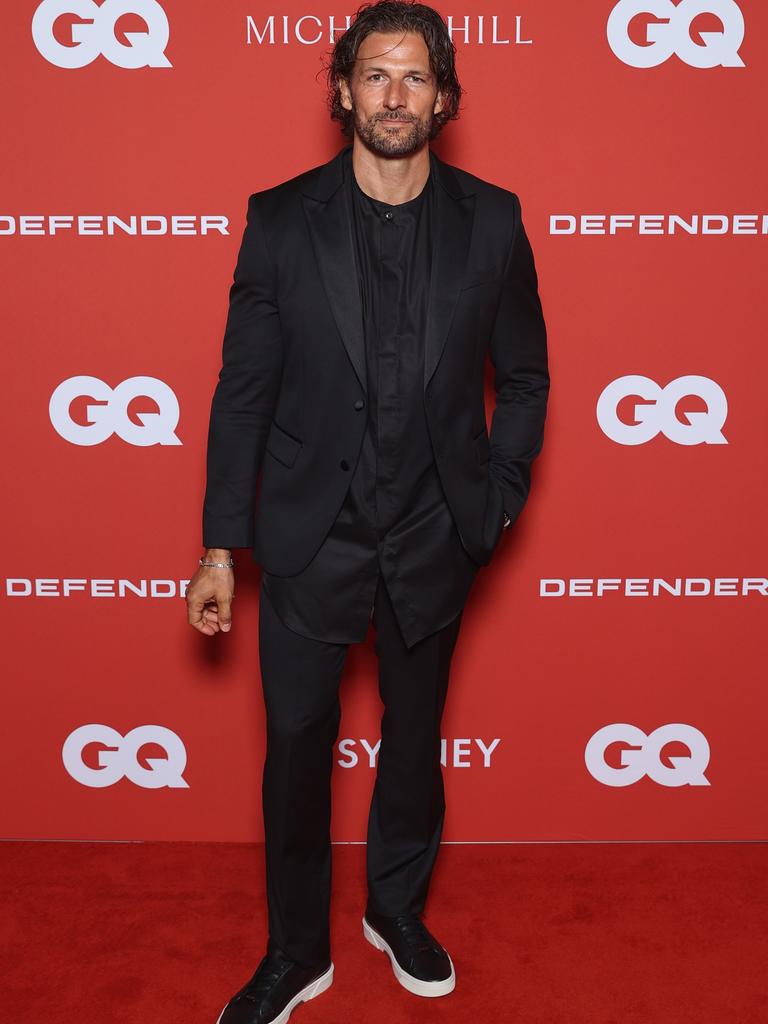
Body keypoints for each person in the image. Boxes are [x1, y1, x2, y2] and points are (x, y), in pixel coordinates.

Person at [185, 2, 549, 1021]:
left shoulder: (496, 219)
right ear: (343, 89)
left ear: (446, 96)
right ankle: (297, 951)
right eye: (376, 76)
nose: (396, 97)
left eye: (417, 78)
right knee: (297, 747)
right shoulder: (279, 217)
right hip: (310, 535)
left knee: (415, 736)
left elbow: (524, 377)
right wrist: (221, 542)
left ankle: (396, 908)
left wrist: (498, 498)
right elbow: (242, 391)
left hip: (437, 531)